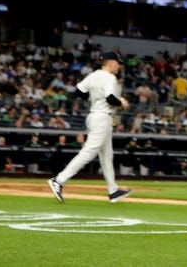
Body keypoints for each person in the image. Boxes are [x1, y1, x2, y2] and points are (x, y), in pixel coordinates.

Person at [47, 51, 132, 204]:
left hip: (95, 115)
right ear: (111, 62)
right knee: (89, 152)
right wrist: (122, 103)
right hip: (101, 117)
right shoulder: (110, 77)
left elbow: (78, 91)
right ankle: (58, 180)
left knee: (107, 156)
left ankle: (113, 190)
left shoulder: (94, 75)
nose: (119, 66)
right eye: (118, 63)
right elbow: (111, 98)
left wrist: (93, 99)